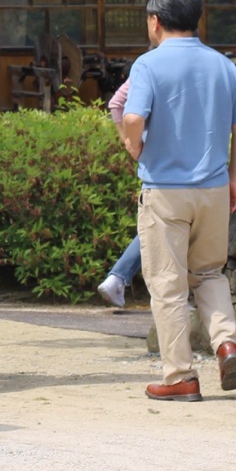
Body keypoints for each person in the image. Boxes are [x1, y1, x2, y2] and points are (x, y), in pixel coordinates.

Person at [120, 0, 236, 402]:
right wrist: (234, 178)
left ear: (155, 22)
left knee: (168, 284)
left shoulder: (148, 65)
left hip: (165, 191)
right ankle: (226, 344)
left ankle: (180, 376)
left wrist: (134, 146)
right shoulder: (223, 65)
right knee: (210, 273)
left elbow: (133, 117)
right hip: (213, 189)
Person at [95, 79, 142, 309]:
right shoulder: (149, 66)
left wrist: (130, 142)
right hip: (184, 163)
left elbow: (116, 104)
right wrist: (130, 143)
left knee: (156, 226)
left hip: (154, 160)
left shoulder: (145, 65)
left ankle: (117, 278)